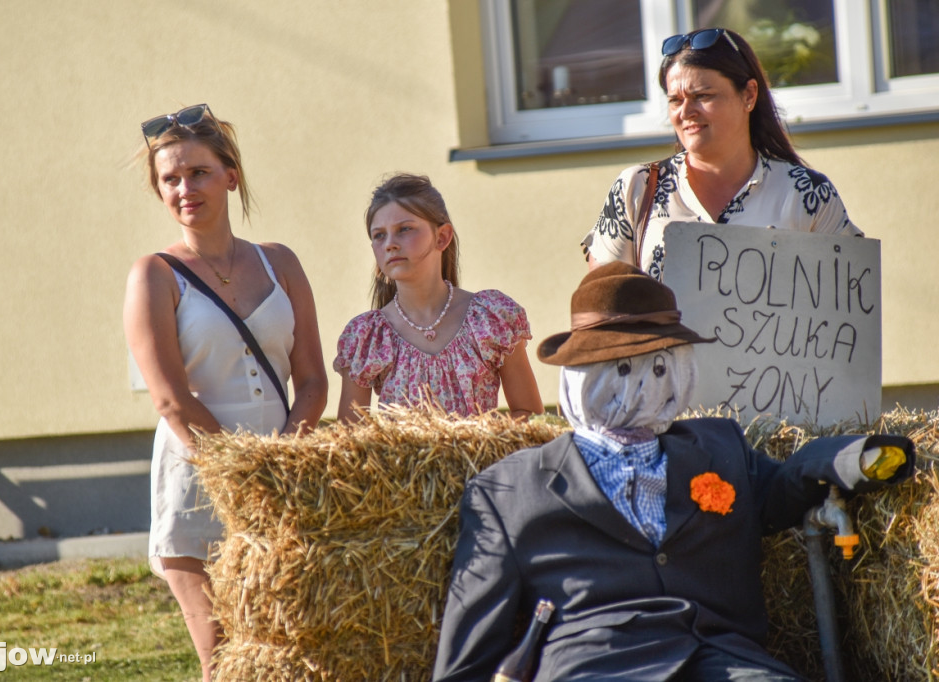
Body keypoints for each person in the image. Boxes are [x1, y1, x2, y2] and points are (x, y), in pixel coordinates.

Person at [432, 261, 914, 682]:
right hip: (596, 667)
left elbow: (787, 484)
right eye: (624, 369)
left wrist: (857, 458)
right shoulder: (508, 490)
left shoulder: (719, 446)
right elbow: (466, 662)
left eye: (661, 368)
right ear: (580, 376)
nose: (647, 385)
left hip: (727, 663)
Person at [123, 103, 328, 681]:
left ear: (230, 175)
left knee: (292, 653)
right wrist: (242, 470)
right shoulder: (153, 275)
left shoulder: (280, 262)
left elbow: (312, 379)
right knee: (227, 662)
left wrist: (285, 457)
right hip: (199, 480)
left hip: (280, 479)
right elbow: (169, 398)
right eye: (170, 178)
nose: (185, 188)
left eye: (199, 172)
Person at [581, 28, 862, 281]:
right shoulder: (637, 189)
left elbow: (849, 303)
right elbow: (603, 311)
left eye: (702, 96)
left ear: (749, 95)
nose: (686, 112)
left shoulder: (807, 195)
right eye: (675, 100)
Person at [334, 173, 543, 422]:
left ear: (442, 237)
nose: (390, 244)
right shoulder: (366, 337)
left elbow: (530, 416)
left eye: (405, 229)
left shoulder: (491, 317)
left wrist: (484, 439)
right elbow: (350, 439)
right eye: (379, 235)